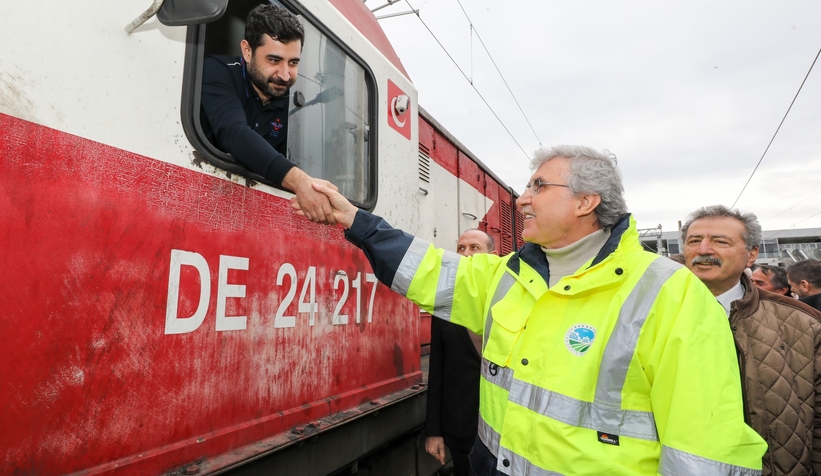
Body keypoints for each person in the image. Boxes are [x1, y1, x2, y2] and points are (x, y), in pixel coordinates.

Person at [294, 145, 766, 475]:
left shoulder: (670, 294)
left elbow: (704, 447)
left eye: (539, 185)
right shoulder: (508, 275)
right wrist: (352, 218)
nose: (520, 198)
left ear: (586, 201)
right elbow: (427, 270)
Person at [681, 205, 821, 475]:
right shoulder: (647, 314)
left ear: (751, 255)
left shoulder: (803, 323)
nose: (704, 250)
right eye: (694, 241)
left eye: (720, 241)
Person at [200, 4, 336, 224]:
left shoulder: (293, 106)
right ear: (247, 51)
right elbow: (233, 132)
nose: (284, 75)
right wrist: (300, 181)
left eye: (293, 63)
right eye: (274, 60)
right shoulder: (218, 71)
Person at [426, 229, 495, 476]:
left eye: (474, 248)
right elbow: (437, 371)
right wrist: (434, 431)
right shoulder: (444, 305)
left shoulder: (510, 301)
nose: (466, 254)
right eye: (461, 248)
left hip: (506, 432)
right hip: (461, 429)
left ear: (492, 256)